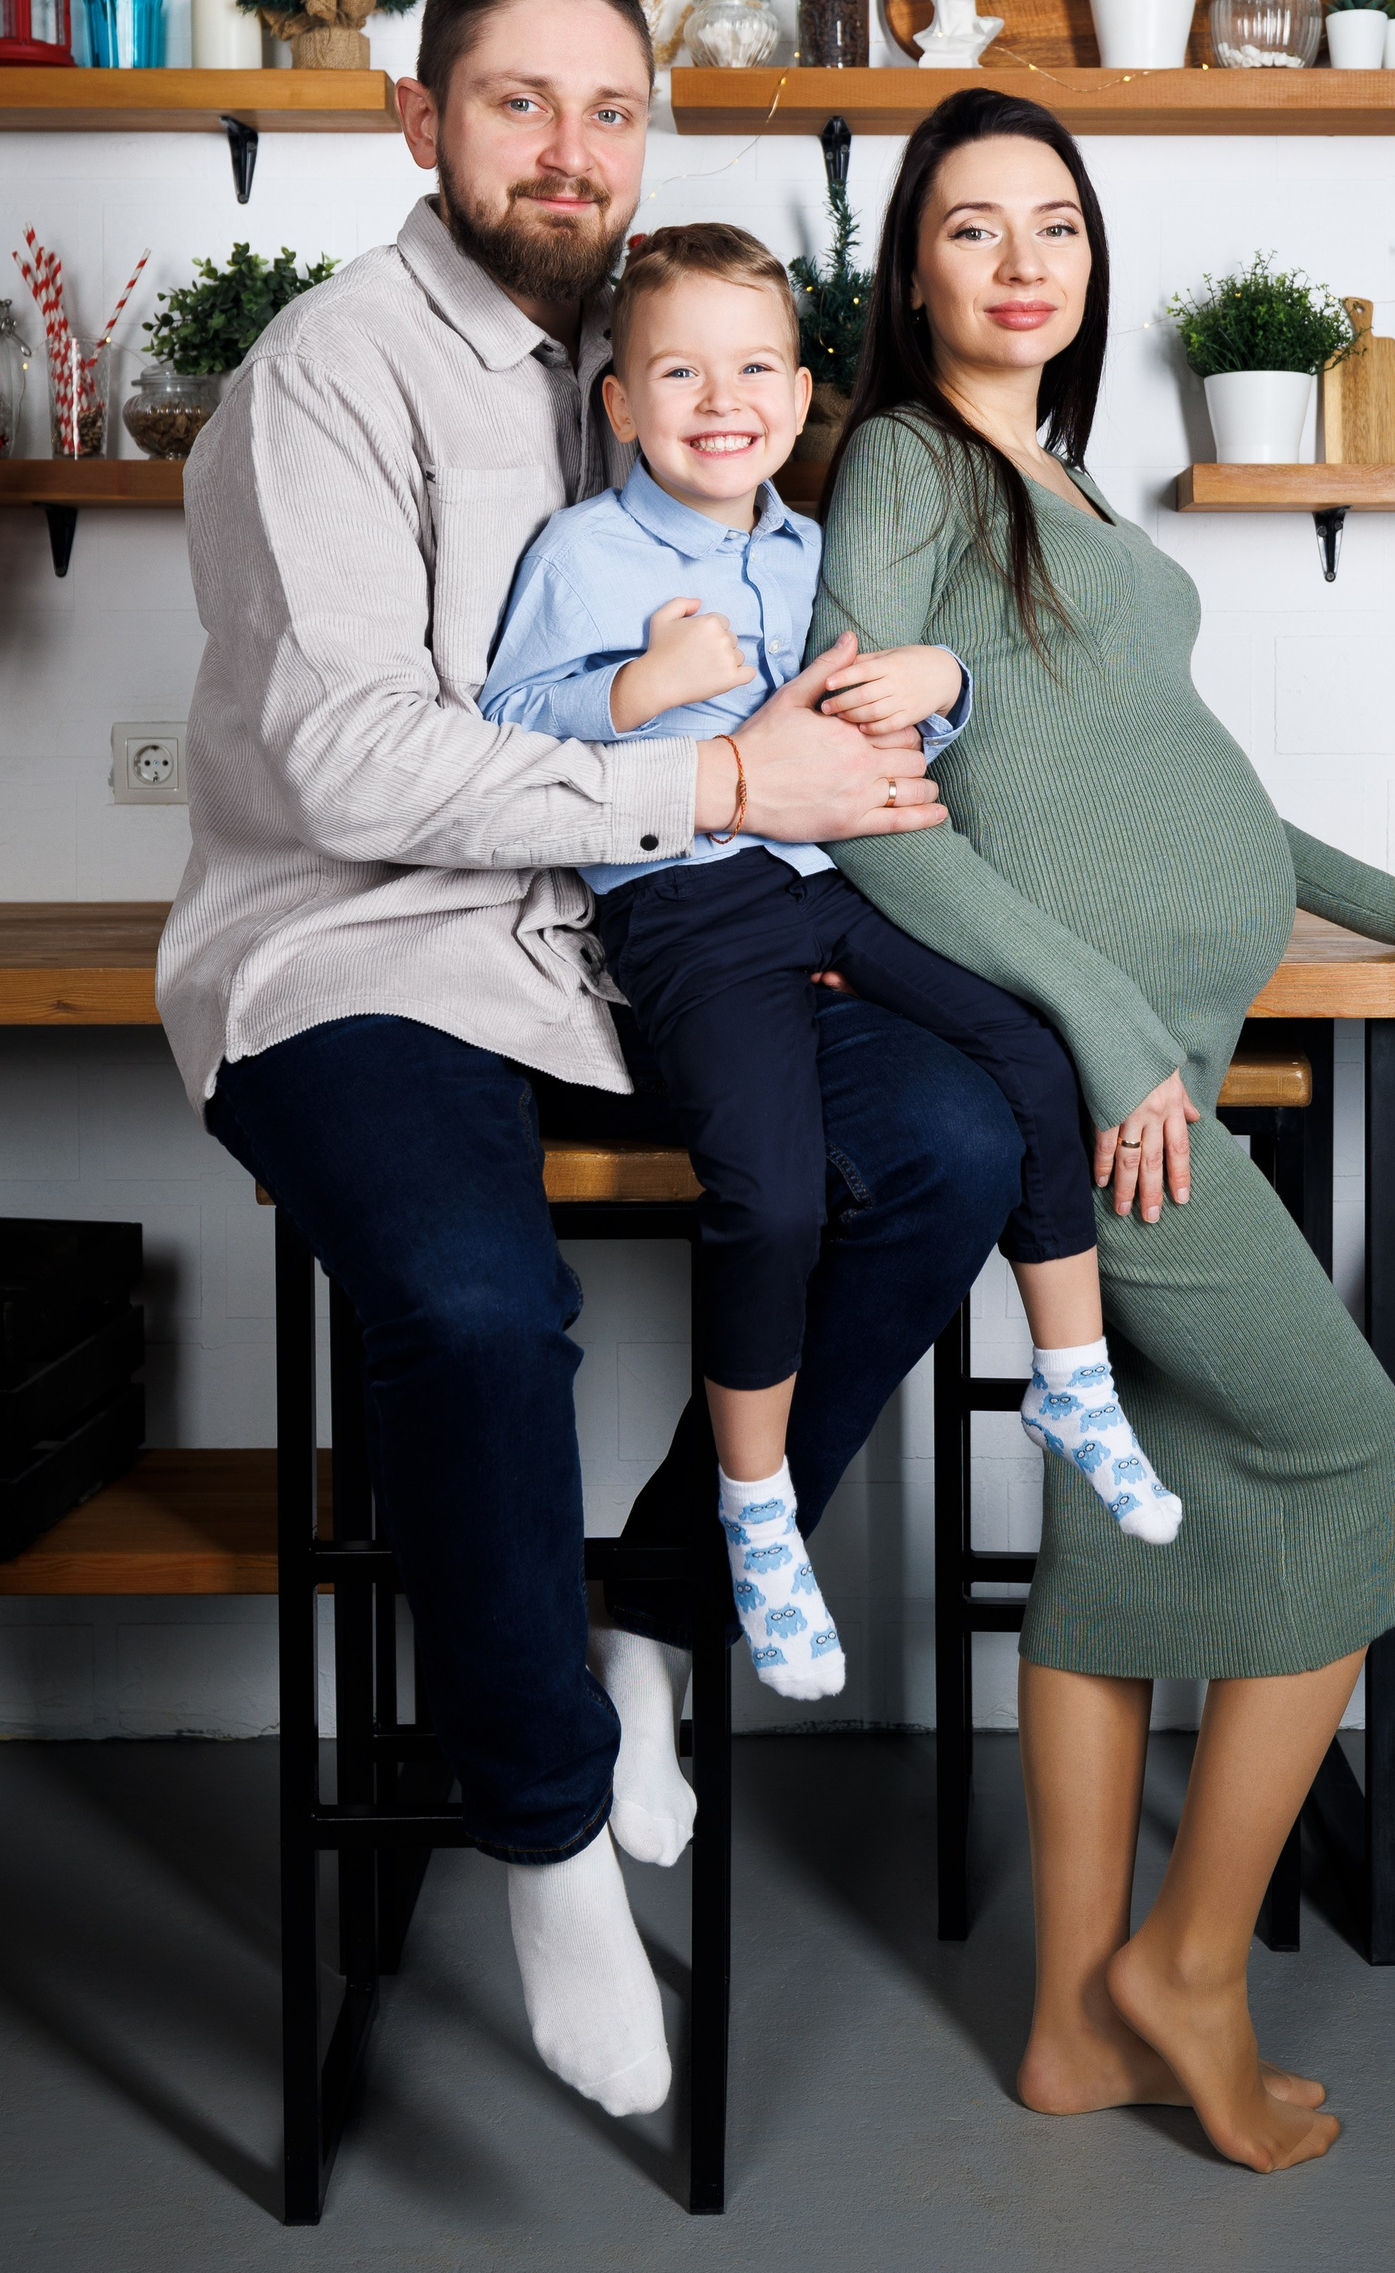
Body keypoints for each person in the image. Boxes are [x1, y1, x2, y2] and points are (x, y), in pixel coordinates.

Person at [155, 0, 1031, 2126]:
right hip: (364, 947)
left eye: (613, 109)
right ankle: (543, 1830)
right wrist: (726, 773)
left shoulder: (655, 359)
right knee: (472, 1306)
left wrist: (890, 717)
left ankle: (660, 1591)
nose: (573, 150)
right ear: (419, 120)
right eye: (520, 102)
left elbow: (843, 626)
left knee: (949, 1147)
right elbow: (352, 759)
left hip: (632, 941)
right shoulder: (333, 374)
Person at [808, 85, 1395, 2174]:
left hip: (1153, 1054)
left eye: (1055, 225)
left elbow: (1182, 771)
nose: (1022, 263)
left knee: (1121, 1522)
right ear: (911, 271)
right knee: (1363, 1456)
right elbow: (861, 796)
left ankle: (1074, 2028)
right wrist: (1103, 1031)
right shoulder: (904, 462)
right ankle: (1188, 1965)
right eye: (972, 227)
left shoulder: (1059, 484)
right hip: (1109, 1084)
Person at [480, 222, 1180, 1706]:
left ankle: (1074, 1386)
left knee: (1028, 1049)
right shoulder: (584, 551)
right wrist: (638, 687)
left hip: (831, 884)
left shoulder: (808, 551)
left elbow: (883, 702)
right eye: (679, 373)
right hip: (687, 907)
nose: (720, 401)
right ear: (620, 402)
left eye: (754, 372)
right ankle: (753, 1514)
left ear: (801, 401)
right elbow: (509, 722)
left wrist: (946, 682)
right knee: (775, 1192)